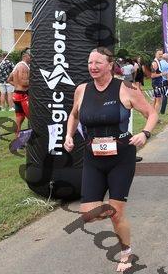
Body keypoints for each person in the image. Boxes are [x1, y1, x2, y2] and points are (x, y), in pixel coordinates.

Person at [63, 47, 158, 272]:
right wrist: (69, 135)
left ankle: (126, 252)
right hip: (93, 157)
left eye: (98, 62)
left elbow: (151, 113)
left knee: (117, 213)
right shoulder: (82, 90)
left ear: (110, 64)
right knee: (88, 215)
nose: (93, 67)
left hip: (121, 157)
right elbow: (74, 115)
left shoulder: (126, 88)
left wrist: (145, 133)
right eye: (90, 62)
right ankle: (115, 211)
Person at [8, 49, 31, 137]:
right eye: (30, 55)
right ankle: (34, 140)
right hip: (23, 96)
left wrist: (17, 86)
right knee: (32, 118)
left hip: (17, 95)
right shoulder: (23, 67)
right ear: (25, 56)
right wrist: (36, 81)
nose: (32, 57)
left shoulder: (17, 65)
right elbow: (23, 83)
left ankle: (17, 139)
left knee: (20, 118)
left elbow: (9, 79)